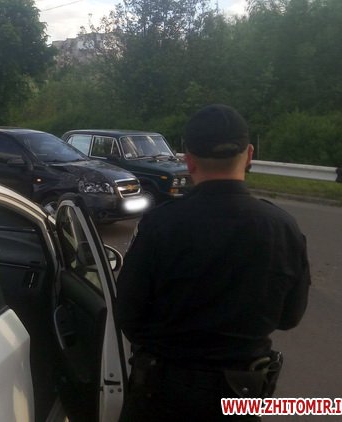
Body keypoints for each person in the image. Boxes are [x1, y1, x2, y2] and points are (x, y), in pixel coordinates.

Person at [115, 104, 311, 421]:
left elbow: (128, 314)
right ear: (249, 154)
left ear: (188, 159)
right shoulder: (283, 227)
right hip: (240, 395)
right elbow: (290, 317)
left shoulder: (160, 224)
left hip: (161, 395)